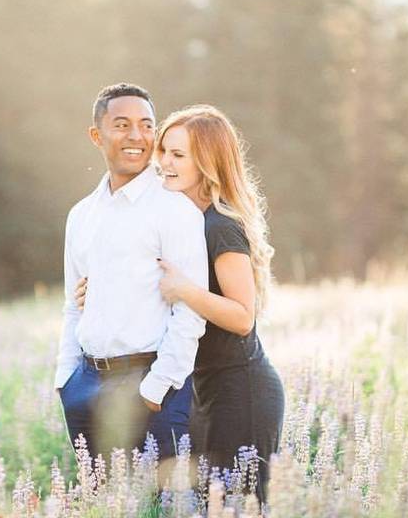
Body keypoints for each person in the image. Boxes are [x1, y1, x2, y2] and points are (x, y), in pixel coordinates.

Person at [76, 104, 284, 502]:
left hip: (240, 388)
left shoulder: (220, 226)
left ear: (206, 163)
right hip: (198, 388)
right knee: (210, 504)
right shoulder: (178, 222)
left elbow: (243, 318)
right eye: (163, 152)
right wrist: (97, 293)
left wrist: (185, 290)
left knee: (240, 505)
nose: (164, 163)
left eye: (178, 155)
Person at [54, 83, 209, 463]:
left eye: (146, 125)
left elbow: (190, 312)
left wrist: (156, 387)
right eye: (122, 125)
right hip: (85, 385)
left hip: (150, 381)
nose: (137, 136)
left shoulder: (174, 208)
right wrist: (65, 379)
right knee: (101, 502)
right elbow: (73, 305)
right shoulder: (81, 216)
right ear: (97, 135)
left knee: (160, 504)